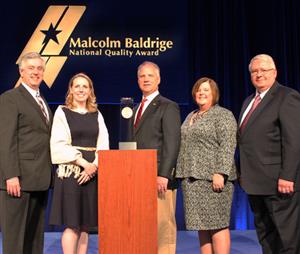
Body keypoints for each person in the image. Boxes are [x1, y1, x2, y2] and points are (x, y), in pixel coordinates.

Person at [238, 54, 300, 254]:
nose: (259, 74)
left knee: (287, 238)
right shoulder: (249, 100)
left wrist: (287, 176)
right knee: (265, 236)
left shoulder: (287, 96)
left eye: (263, 70)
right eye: (254, 71)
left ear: (274, 72)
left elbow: (294, 141)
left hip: (279, 184)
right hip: (254, 183)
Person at [49, 73, 109, 254]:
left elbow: (103, 143)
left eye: (85, 86)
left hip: (92, 174)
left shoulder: (96, 114)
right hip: (71, 172)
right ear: (71, 90)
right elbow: (58, 143)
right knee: (72, 222)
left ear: (90, 91)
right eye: (77, 86)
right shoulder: (62, 111)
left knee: (85, 224)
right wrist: (84, 163)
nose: (81, 90)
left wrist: (95, 166)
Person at [176, 77, 237, 254]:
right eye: (198, 90)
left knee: (217, 225)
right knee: (202, 226)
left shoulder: (223, 115)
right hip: (192, 180)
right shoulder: (191, 115)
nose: (201, 93)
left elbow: (228, 144)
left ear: (214, 94)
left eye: (206, 90)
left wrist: (220, 172)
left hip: (213, 179)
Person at [0, 52, 52, 253]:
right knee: (15, 240)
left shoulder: (42, 100)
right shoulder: (10, 98)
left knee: (34, 238)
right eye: (31, 68)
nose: (36, 72)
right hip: (18, 181)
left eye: (39, 68)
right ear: (21, 72)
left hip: (40, 179)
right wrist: (11, 175)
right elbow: (6, 140)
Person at [129, 61, 181, 254]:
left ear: (158, 79)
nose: (146, 79)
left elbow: (172, 143)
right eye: (142, 76)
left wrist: (164, 175)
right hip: (137, 177)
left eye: (150, 75)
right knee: (142, 225)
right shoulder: (134, 109)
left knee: (163, 226)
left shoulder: (168, 106)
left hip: (159, 178)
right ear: (137, 80)